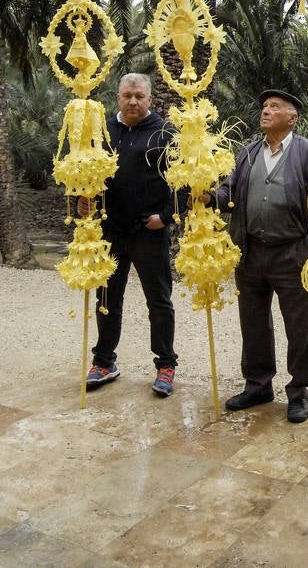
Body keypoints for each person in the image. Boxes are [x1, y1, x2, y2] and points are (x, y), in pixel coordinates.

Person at [208, 90, 308, 423]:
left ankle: (299, 390)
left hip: (293, 254)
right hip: (251, 251)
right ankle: (258, 385)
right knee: (253, 323)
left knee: (300, 326)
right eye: (264, 106)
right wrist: (209, 196)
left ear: (293, 116)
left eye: (275, 107)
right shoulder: (248, 152)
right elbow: (230, 192)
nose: (266, 111)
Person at [82, 73, 178, 397]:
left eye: (139, 96)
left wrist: (164, 218)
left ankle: (166, 365)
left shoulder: (165, 133)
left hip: (149, 232)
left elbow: (182, 181)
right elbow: (88, 171)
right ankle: (104, 361)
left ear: (150, 99)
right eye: (127, 96)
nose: (133, 101)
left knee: (159, 301)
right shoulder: (103, 131)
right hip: (110, 230)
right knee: (107, 299)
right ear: (118, 97)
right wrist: (85, 198)